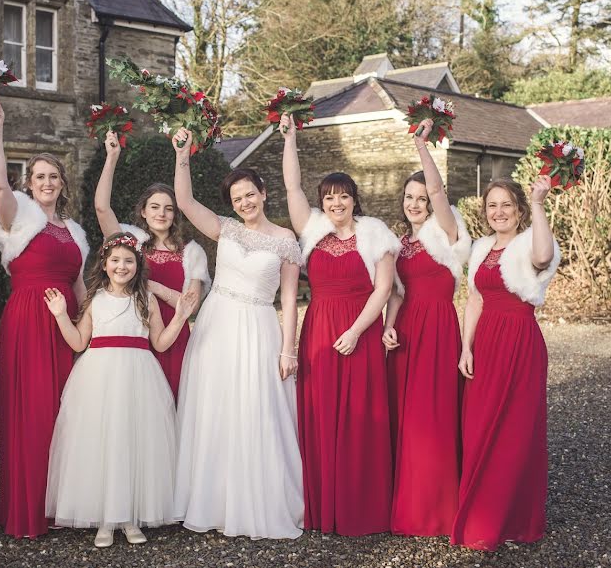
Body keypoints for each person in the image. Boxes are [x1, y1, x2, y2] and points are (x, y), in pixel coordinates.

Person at [172, 127, 304, 540]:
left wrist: (288, 350)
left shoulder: (285, 240)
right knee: (214, 409)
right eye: (236, 198)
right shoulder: (224, 229)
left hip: (258, 327)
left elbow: (288, 300)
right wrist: (182, 155)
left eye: (250, 194)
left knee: (255, 409)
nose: (244, 202)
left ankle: (252, 501)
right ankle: (211, 499)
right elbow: (185, 202)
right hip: (217, 325)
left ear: (263, 193)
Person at [280, 114, 399, 536]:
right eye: (329, 197)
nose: (336, 204)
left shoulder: (375, 233)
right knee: (319, 413)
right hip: (318, 331)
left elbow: (383, 290)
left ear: (354, 199)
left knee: (359, 417)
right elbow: (292, 187)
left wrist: (354, 331)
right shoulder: (311, 230)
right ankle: (322, 505)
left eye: (343, 196)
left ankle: (359, 508)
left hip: (358, 332)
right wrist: (290, 138)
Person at [44, 233, 197, 547]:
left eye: (129, 261)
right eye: (115, 260)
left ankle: (129, 516)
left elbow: (160, 342)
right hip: (98, 376)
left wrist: (181, 315)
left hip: (139, 374)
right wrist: (60, 315)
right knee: (102, 441)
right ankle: (104, 518)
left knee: (132, 440)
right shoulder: (95, 298)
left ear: (138, 265)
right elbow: (77, 342)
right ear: (105, 263)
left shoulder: (146, 299)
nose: (121, 266)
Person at [0, 94, 89, 538]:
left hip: (66, 325)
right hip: (28, 320)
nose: (47, 182)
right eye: (39, 176)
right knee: (32, 410)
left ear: (63, 183)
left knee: (70, 410)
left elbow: (82, 286)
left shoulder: (75, 231)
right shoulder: (17, 217)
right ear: (28, 184)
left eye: (54, 176)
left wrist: (91, 329)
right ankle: (28, 506)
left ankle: (65, 502)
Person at [452, 177, 560, 550]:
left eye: (507, 206)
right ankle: (479, 511)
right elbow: (475, 300)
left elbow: (544, 257)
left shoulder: (530, 241)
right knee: (479, 427)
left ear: (519, 211)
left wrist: (540, 203)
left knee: (514, 430)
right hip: (485, 344)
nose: (498, 212)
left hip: (519, 342)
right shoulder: (481, 249)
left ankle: (511, 517)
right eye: (492, 206)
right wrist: (466, 347)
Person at [382, 118, 472, 537]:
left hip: (438, 328)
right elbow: (397, 292)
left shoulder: (446, 232)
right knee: (404, 418)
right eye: (409, 197)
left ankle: (435, 507)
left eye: (421, 197)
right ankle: (404, 500)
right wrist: (388, 327)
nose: (415, 203)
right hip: (406, 334)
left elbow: (438, 191)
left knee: (432, 416)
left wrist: (422, 146)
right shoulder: (400, 242)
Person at [94, 131, 210, 400]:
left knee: (175, 404)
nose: (161, 213)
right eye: (154, 207)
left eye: (168, 208)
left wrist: (153, 286)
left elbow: (190, 304)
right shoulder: (131, 242)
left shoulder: (192, 252)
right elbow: (101, 208)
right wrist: (111, 158)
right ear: (143, 212)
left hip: (174, 335)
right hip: (137, 334)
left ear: (175, 214)